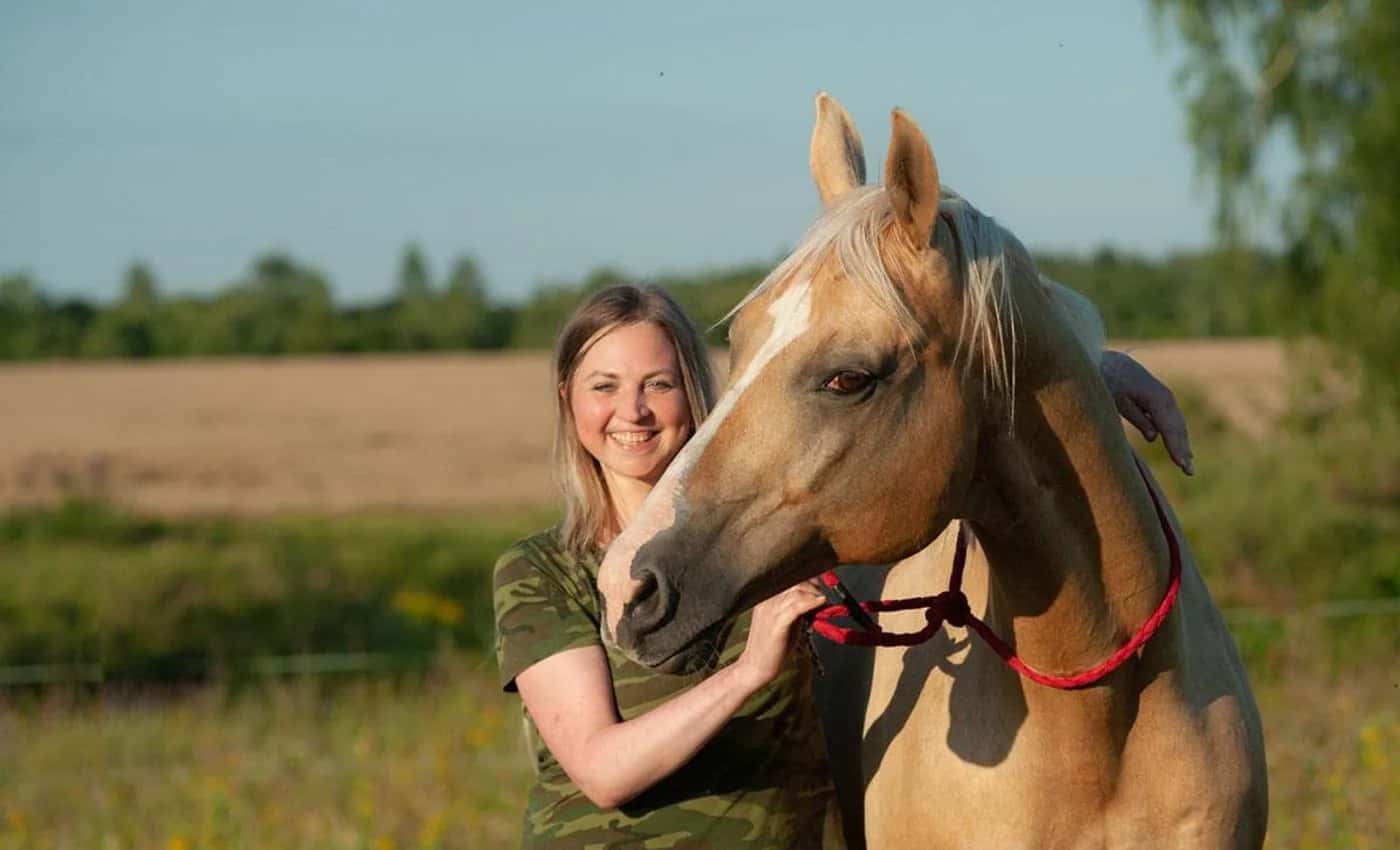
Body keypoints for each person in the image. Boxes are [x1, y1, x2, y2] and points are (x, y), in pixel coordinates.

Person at [492, 284, 1193, 849]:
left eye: (659, 383)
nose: (634, 411)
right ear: (567, 399)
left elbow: (907, 407)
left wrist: (1083, 371)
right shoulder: (542, 571)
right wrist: (748, 672)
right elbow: (603, 770)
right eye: (604, 386)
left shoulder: (776, 548)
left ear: (698, 394)